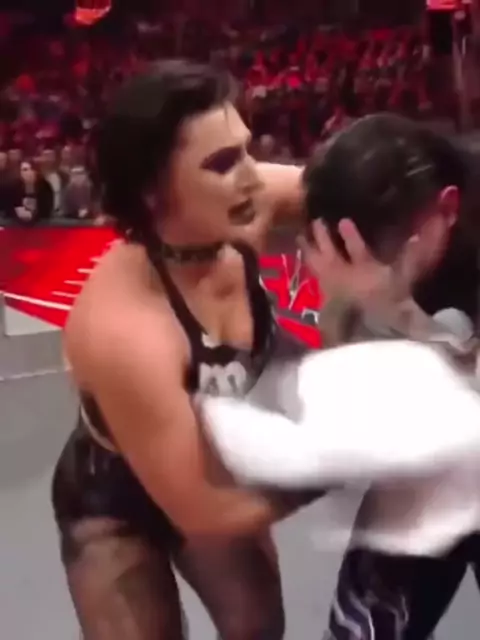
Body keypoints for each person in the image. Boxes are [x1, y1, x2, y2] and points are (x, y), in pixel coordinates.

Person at [51, 59, 315, 640]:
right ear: (152, 192)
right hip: (116, 501)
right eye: (222, 163)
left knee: (258, 629)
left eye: (247, 150)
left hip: (212, 459)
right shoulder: (123, 329)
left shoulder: (247, 203)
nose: (253, 177)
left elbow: (381, 187)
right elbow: (205, 510)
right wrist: (349, 450)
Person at [300, 114, 480, 639]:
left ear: (448, 208)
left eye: (393, 260)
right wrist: (349, 308)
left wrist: (399, 312)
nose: (373, 275)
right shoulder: (347, 211)